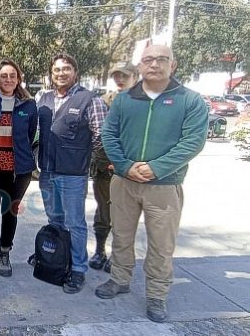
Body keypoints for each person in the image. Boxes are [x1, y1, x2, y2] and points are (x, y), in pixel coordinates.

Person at [96, 45, 207, 322]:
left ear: (174, 64)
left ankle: (157, 294)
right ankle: (120, 279)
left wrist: (155, 168)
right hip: (124, 180)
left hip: (165, 185)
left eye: (161, 59)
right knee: (121, 235)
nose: (154, 64)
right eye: (148, 60)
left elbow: (192, 142)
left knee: (161, 244)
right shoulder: (124, 100)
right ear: (140, 66)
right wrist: (125, 166)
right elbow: (109, 134)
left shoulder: (190, 100)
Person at [36, 53, 108, 294]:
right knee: (54, 220)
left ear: (75, 72)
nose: (61, 73)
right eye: (56, 69)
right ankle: (58, 258)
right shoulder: (43, 99)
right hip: (46, 172)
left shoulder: (89, 100)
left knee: (75, 223)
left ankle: (78, 269)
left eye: (66, 68)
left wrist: (87, 162)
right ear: (51, 73)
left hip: (73, 175)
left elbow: (102, 136)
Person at [0, 58, 37, 277]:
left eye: (12, 75)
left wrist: (18, 153)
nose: (8, 79)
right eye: (3, 75)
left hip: (19, 168)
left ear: (18, 79)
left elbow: (30, 134)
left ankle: (5, 250)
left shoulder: (28, 105)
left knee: (10, 210)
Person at [88, 62, 138, 273]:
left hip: (130, 168)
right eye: (116, 75)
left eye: (124, 76)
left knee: (124, 216)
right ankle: (100, 251)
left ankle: (119, 257)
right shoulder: (105, 100)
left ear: (135, 76)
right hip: (103, 167)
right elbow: (99, 134)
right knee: (103, 212)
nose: (120, 79)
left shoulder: (142, 102)